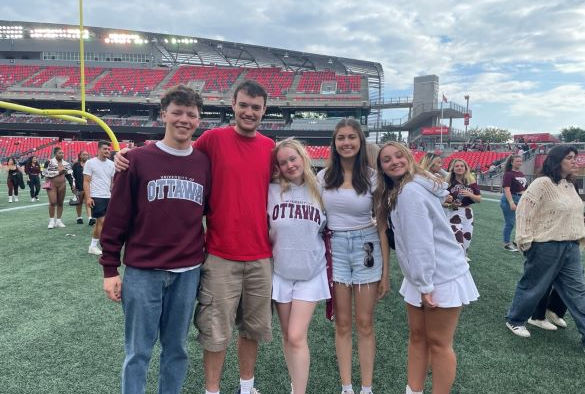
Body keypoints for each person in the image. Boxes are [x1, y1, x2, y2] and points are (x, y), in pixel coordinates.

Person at [116, 80, 275, 394]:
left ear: (264, 111)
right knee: (214, 331)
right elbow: (175, 150)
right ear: (233, 104)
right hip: (218, 254)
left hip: (260, 255)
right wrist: (133, 155)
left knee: (252, 330)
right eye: (243, 105)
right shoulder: (214, 139)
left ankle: (246, 386)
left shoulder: (271, 147)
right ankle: (212, 389)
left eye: (256, 107)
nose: (249, 112)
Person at [100, 85, 210, 394]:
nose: (184, 119)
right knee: (138, 352)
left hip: (187, 272)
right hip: (143, 272)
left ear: (199, 119)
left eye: (191, 114)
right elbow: (117, 218)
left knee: (177, 350)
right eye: (177, 112)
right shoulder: (135, 160)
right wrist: (110, 269)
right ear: (164, 115)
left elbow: (211, 211)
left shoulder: (203, 163)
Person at [374, 142, 478, 394]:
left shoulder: (409, 192)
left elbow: (420, 243)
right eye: (386, 159)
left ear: (409, 158)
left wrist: (424, 285)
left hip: (439, 274)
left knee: (439, 344)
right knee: (418, 338)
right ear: (381, 168)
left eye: (399, 155)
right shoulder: (403, 189)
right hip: (424, 274)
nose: (394, 162)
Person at [317, 118, 389, 394]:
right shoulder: (323, 178)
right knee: (343, 322)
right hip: (335, 249)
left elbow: (382, 227)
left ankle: (366, 387)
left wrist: (385, 274)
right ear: (334, 144)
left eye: (352, 137)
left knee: (365, 323)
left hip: (366, 248)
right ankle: (347, 387)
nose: (346, 143)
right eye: (341, 138)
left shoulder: (372, 177)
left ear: (360, 142)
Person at [506, 145, 585, 349]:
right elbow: (524, 210)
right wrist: (524, 240)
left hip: (571, 246)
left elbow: (575, 213)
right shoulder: (542, 183)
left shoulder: (569, 185)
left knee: (578, 291)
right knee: (533, 285)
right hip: (546, 245)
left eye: (575, 158)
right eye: (570, 157)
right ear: (557, 160)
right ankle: (515, 320)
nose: (575, 161)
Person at [269, 139, 330, 394]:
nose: (289, 165)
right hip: (281, 272)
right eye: (283, 162)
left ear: (303, 157)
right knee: (287, 336)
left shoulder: (322, 189)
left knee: (296, 336)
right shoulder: (271, 190)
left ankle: (299, 391)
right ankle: (296, 384)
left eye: (293, 159)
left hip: (310, 273)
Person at [444, 159, 481, 260]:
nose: (459, 168)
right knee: (457, 238)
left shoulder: (471, 181)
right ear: (453, 169)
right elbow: (443, 202)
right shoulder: (447, 183)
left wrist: (470, 194)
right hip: (453, 212)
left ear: (465, 168)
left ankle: (463, 256)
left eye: (462, 166)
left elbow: (479, 199)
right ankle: (457, 258)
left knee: (467, 237)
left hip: (468, 212)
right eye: (457, 166)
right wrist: (450, 202)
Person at [84, 141, 115, 255]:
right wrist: (88, 197)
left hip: (108, 196)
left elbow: (113, 182)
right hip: (96, 196)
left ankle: (93, 246)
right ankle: (105, 245)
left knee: (100, 223)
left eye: (108, 149)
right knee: (103, 222)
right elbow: (86, 181)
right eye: (105, 149)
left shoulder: (112, 164)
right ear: (98, 150)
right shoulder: (90, 163)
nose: (107, 151)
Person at [43, 147, 74, 228]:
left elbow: (70, 175)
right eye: (59, 153)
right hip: (52, 184)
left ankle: (59, 221)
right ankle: (51, 221)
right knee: (53, 202)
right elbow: (44, 173)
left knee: (60, 203)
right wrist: (58, 172)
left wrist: (72, 185)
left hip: (62, 185)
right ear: (55, 154)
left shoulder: (66, 164)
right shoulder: (49, 162)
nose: (62, 154)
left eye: (62, 153)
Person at [500, 155, 526, 251]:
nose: (519, 163)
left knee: (522, 222)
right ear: (512, 162)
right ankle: (507, 243)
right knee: (510, 223)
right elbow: (506, 189)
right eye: (517, 161)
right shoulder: (508, 174)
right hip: (510, 199)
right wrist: (511, 203)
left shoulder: (521, 174)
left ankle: (516, 241)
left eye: (520, 161)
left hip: (520, 199)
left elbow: (524, 189)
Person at [72, 150, 92, 224]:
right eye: (83, 154)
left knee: (88, 202)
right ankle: (79, 217)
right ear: (80, 156)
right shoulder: (76, 165)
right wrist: (73, 185)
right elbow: (73, 176)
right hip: (79, 186)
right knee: (79, 203)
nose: (85, 156)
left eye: (86, 154)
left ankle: (90, 218)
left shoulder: (90, 164)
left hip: (88, 186)